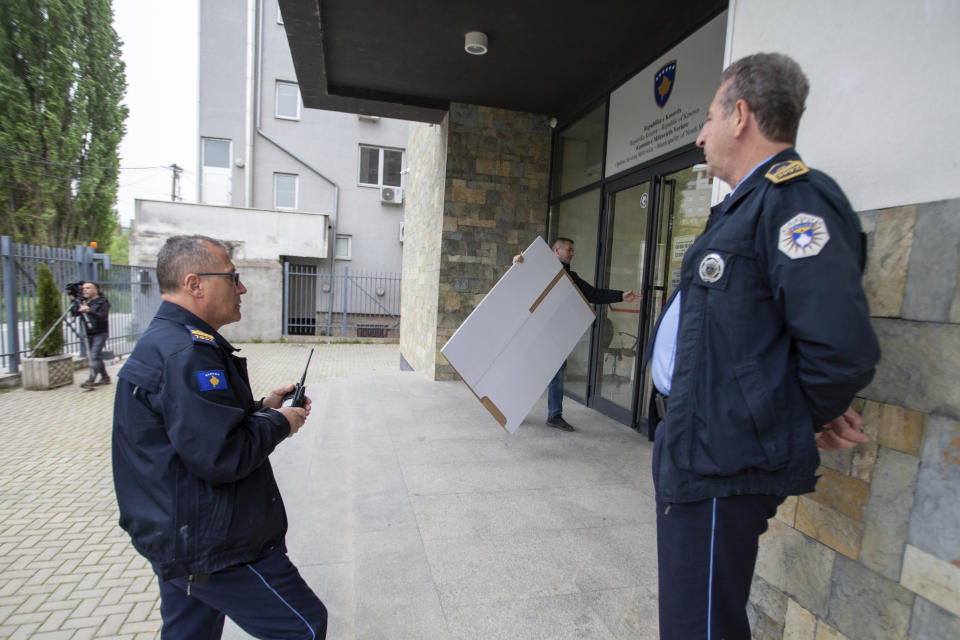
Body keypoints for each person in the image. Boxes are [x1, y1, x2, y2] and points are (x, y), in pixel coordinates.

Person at [646, 53, 881, 639]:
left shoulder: (793, 202)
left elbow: (841, 348)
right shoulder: (744, 207)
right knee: (696, 617)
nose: (699, 133)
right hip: (696, 443)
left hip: (724, 457)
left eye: (706, 117)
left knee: (698, 629)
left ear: (740, 116)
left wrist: (789, 418)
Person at [112, 235, 327, 639]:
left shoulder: (172, 341)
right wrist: (282, 422)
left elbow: (195, 426)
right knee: (303, 627)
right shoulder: (186, 353)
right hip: (212, 544)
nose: (242, 288)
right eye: (233, 278)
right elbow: (221, 453)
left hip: (178, 536)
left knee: (189, 634)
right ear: (195, 284)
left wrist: (262, 406)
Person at [513, 237, 641, 431]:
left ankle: (554, 415)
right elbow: (519, 281)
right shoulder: (541, 269)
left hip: (556, 334)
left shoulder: (570, 277)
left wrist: (621, 296)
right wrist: (517, 263)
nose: (572, 253)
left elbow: (593, 294)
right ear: (556, 251)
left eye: (573, 250)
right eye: (569, 250)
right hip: (536, 330)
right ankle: (516, 410)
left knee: (557, 373)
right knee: (532, 371)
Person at [73, 281, 111, 388]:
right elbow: (75, 314)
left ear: (96, 290)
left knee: (94, 355)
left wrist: (89, 311)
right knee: (96, 356)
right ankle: (105, 377)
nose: (85, 290)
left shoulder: (102, 302)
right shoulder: (84, 302)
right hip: (88, 333)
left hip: (100, 332)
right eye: (84, 288)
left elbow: (102, 317)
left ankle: (91, 380)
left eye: (88, 288)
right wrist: (74, 302)